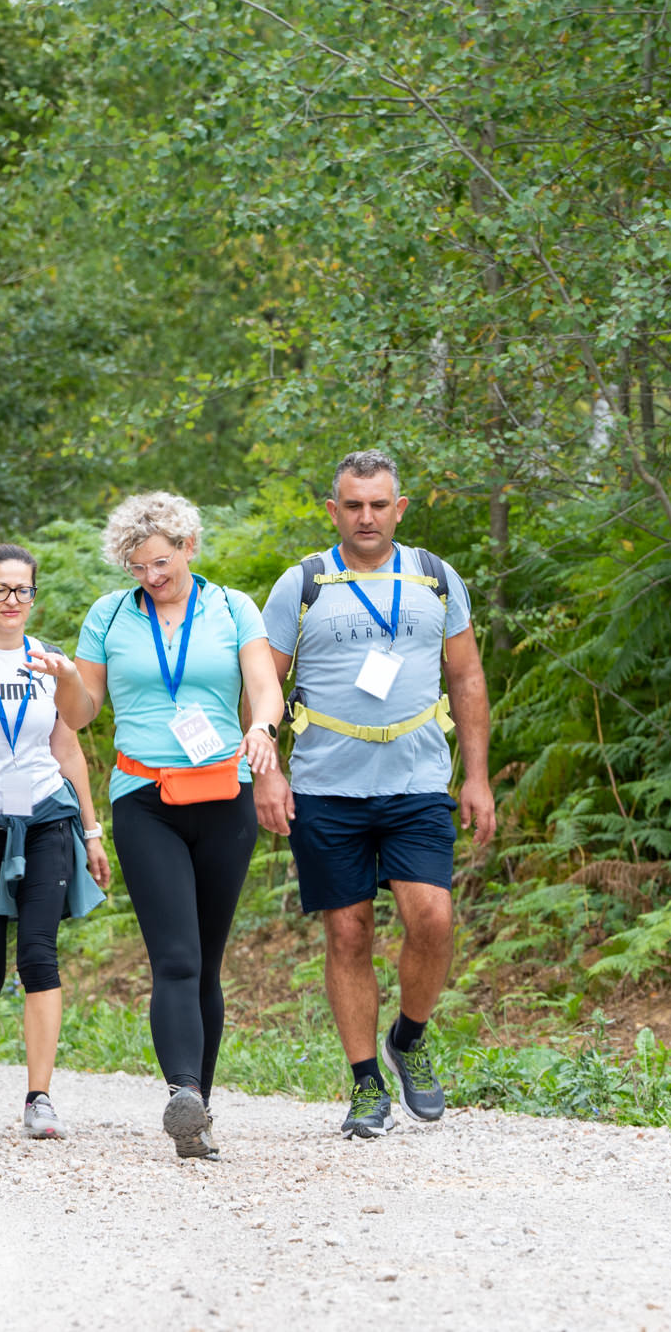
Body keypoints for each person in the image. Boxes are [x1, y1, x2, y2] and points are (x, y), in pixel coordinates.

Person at [36, 491, 286, 1160]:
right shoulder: (109, 615)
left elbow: (265, 684)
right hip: (144, 796)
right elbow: (83, 710)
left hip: (223, 792)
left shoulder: (233, 607)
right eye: (139, 565)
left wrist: (261, 727)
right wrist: (64, 677)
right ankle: (182, 1090)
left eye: (162, 561)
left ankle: (196, 1112)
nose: (152, 575)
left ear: (188, 547)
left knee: (206, 960)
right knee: (173, 956)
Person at [257, 449, 495, 1139]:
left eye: (378, 504)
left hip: (417, 780)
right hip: (327, 788)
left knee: (434, 919)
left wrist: (475, 775)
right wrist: (265, 767)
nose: (366, 516)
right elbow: (264, 682)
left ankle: (410, 1038)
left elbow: (468, 676)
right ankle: (366, 1084)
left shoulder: (435, 578)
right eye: (352, 505)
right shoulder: (302, 584)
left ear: (400, 508)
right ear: (334, 510)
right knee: (348, 932)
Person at [0, 543, 112, 1140]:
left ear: (35, 596)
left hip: (44, 820)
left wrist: (91, 830)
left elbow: (70, 744)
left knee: (39, 953)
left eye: (24, 590)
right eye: (1, 589)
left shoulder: (50, 659)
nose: (13, 601)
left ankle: (39, 1097)